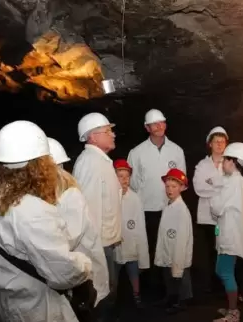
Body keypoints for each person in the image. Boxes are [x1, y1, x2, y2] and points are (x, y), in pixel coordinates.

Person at [0, 121, 94, 322]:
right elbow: (61, 271)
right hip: (38, 308)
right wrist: (85, 265)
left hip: (6, 302)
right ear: (40, 165)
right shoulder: (31, 210)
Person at [48, 137, 110, 310]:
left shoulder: (70, 196)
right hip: (74, 276)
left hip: (85, 280)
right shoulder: (54, 193)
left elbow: (67, 240)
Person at [127, 109, 186, 287]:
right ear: (147, 127)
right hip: (147, 209)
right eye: (154, 123)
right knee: (151, 248)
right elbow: (131, 182)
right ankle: (152, 287)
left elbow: (182, 179)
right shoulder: (136, 153)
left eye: (162, 122)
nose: (159, 126)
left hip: (170, 208)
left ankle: (171, 286)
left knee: (171, 246)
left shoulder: (176, 151)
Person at [72, 112, 122, 321]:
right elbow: (89, 212)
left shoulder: (99, 161)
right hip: (99, 244)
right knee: (102, 293)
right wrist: (95, 252)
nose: (113, 135)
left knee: (108, 290)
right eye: (108, 131)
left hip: (106, 241)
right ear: (92, 137)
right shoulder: (91, 164)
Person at [211, 142, 243, 322]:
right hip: (232, 233)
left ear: (234, 162)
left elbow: (217, 207)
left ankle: (233, 312)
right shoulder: (240, 181)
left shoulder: (233, 183)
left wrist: (214, 194)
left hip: (231, 235)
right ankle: (232, 306)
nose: (222, 164)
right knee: (223, 270)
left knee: (225, 272)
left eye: (225, 160)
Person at [193, 126, 228, 293]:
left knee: (225, 249)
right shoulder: (202, 165)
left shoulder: (230, 164)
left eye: (222, 142)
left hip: (225, 217)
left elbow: (230, 188)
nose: (219, 145)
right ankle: (214, 286)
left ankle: (226, 284)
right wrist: (219, 185)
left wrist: (211, 182)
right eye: (216, 142)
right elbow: (198, 188)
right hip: (208, 218)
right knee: (212, 250)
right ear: (210, 144)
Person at [154, 168, 193, 314]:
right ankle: (170, 297)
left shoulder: (182, 211)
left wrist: (177, 254)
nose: (169, 190)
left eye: (174, 187)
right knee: (169, 275)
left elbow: (181, 238)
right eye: (167, 186)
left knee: (180, 275)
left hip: (178, 249)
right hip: (168, 247)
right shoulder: (168, 205)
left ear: (182, 188)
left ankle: (182, 301)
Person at [113, 159, 149, 309]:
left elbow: (140, 226)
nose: (124, 180)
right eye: (120, 176)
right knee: (112, 276)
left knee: (133, 271)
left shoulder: (135, 199)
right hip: (114, 244)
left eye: (127, 176)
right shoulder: (110, 196)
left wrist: (143, 255)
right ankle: (111, 300)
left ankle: (136, 296)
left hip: (131, 243)